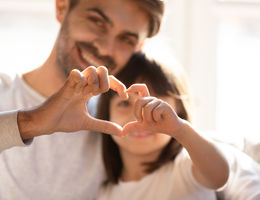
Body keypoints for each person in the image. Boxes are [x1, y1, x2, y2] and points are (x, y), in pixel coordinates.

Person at [0, 0, 165, 199]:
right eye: (97, 21)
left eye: (126, 39)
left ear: (138, 48)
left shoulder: (120, 124)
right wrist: (33, 122)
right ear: (62, 7)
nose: (105, 49)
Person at [95, 52, 260, 200]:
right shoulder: (104, 193)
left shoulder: (185, 166)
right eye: (124, 104)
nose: (138, 115)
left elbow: (219, 176)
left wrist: (180, 130)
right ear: (106, 114)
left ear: (179, 113)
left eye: (153, 104)